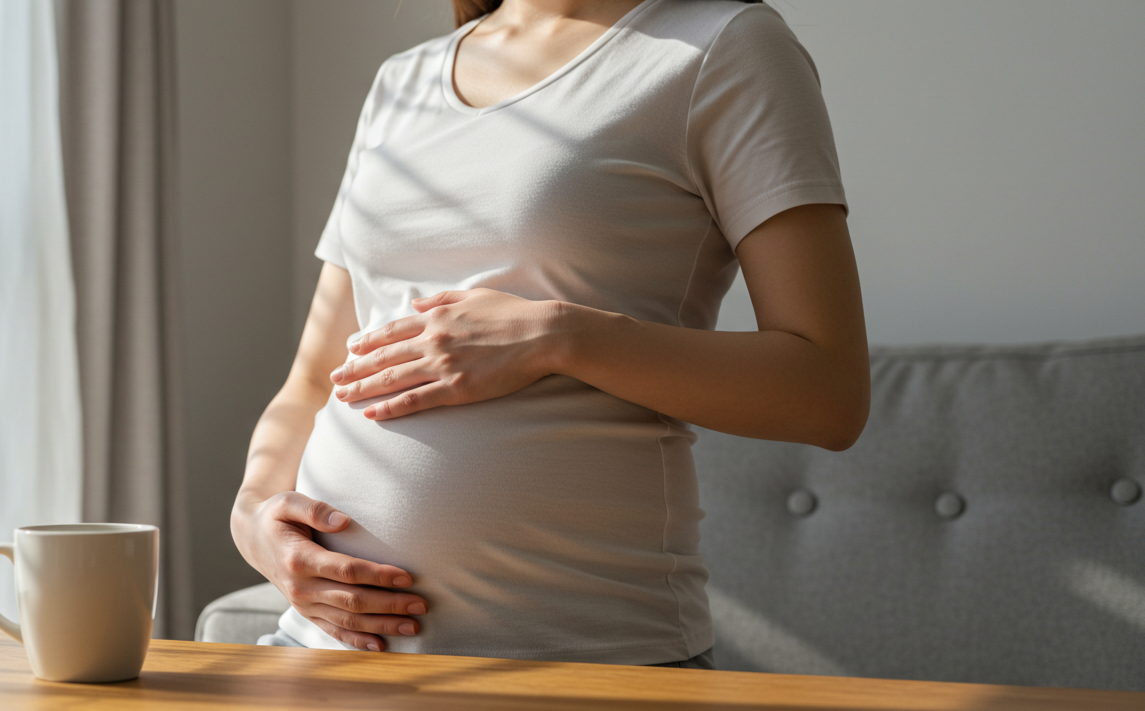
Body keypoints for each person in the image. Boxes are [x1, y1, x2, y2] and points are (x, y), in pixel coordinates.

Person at [230, 0, 868, 668]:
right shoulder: (404, 80)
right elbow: (311, 379)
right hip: (330, 655)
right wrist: (253, 524)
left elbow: (829, 392)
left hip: (587, 664)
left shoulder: (724, 47)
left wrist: (556, 336)